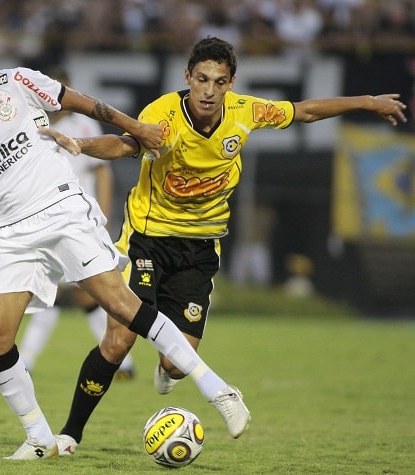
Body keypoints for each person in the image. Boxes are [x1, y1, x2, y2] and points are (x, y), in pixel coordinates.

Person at [0, 20, 251, 461]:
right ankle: (39, 437)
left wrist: (134, 128)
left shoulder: (18, 82)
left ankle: (218, 391)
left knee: (120, 305)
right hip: (9, 230)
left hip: (61, 208)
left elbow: (88, 105)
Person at [41, 36, 408, 456]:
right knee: (119, 340)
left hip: (200, 249)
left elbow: (305, 111)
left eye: (219, 81)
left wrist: (367, 102)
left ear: (231, 83)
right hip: (149, 239)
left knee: (177, 361)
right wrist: (82, 145)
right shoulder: (162, 115)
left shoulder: (246, 112)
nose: (209, 90)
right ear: (188, 78)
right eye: (201, 80)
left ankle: (168, 368)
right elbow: (126, 146)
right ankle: (70, 435)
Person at [18, 65, 136, 378]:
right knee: (61, 292)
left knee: (88, 293)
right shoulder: (28, 125)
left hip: (80, 221)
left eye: (62, 93)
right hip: (44, 221)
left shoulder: (83, 126)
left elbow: (101, 171)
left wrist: (106, 217)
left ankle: (27, 361)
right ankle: (122, 363)